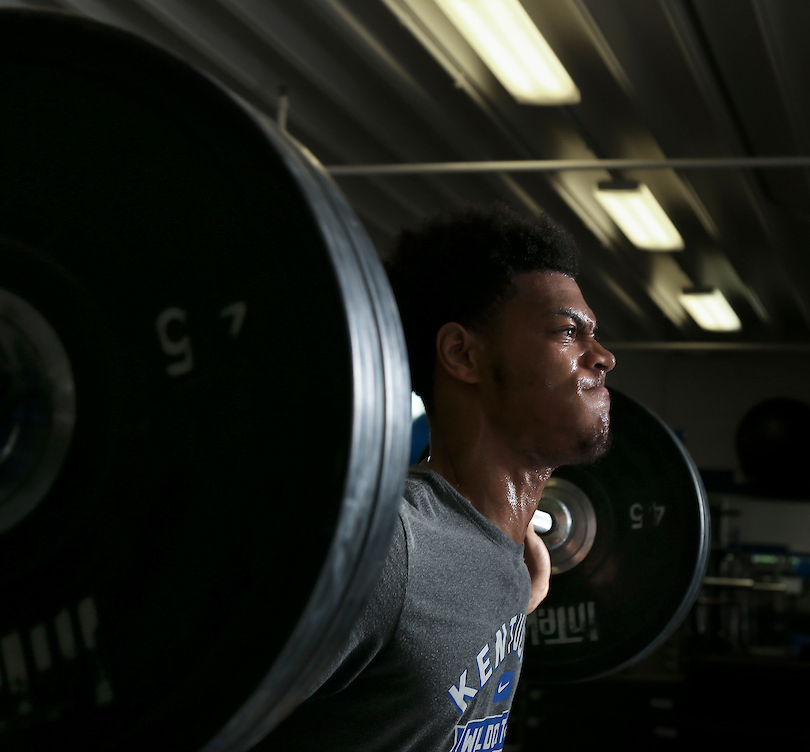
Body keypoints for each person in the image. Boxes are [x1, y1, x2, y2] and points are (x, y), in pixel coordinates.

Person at [256, 203, 616, 751]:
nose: (604, 356)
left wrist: (511, 591)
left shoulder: (508, 560)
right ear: (461, 354)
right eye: (568, 331)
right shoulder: (387, 551)